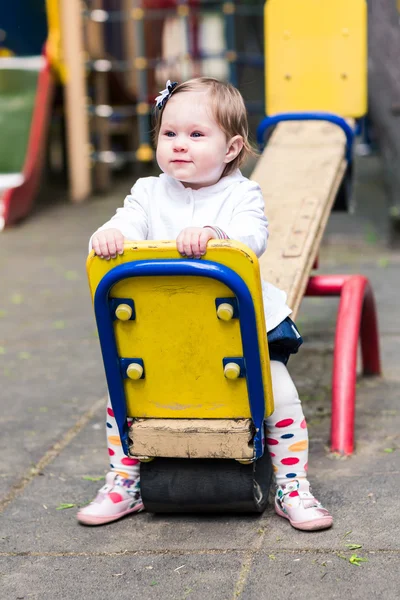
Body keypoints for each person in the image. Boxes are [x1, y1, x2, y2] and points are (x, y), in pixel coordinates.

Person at [77, 77, 333, 531]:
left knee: (281, 396)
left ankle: (293, 486)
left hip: (236, 329)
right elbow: (127, 221)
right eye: (169, 133)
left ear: (232, 148)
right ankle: (125, 481)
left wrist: (218, 237)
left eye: (196, 135)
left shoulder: (240, 195)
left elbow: (253, 236)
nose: (179, 145)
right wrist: (111, 234)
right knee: (125, 397)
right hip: (164, 326)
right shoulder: (148, 193)